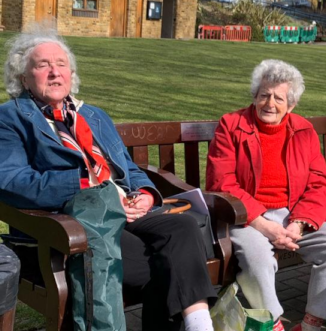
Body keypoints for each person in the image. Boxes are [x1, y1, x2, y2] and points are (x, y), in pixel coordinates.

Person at [0, 27, 216, 330]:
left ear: (71, 73)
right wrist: (89, 187)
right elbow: (12, 181)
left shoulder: (94, 115)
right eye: (42, 65)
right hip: (71, 222)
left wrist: (146, 193)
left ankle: (200, 325)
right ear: (24, 78)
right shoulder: (11, 118)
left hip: (126, 208)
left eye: (61, 64)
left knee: (183, 226)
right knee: (163, 263)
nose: (54, 72)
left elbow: (128, 166)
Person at [206, 59, 326, 331]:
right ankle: (272, 323)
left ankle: (311, 325)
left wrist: (299, 222)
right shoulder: (231, 125)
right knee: (258, 258)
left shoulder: (303, 130)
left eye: (278, 97)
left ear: (292, 104)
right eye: (264, 95)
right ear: (255, 96)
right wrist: (263, 224)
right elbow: (221, 181)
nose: (269, 103)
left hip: (293, 214)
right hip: (244, 216)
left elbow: (319, 183)